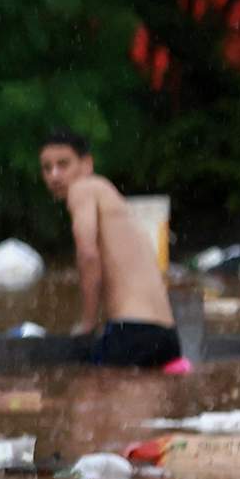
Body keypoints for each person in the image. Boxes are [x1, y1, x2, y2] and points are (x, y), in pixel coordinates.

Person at [38, 130, 184, 369]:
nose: (54, 175)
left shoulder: (83, 189)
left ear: (86, 165)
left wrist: (87, 324)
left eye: (63, 164)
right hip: (166, 335)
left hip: (132, 331)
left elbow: (88, 255)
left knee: (88, 399)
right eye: (47, 168)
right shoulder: (114, 201)